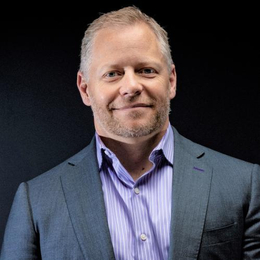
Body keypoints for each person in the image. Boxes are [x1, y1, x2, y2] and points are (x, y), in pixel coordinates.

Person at [1, 6, 260, 260]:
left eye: (146, 70)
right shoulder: (35, 200)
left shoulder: (245, 185)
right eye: (113, 74)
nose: (131, 86)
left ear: (171, 81)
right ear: (85, 89)